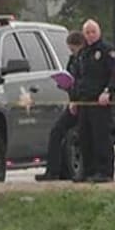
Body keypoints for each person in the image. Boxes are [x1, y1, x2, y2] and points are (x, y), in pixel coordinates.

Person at [72, 19, 115, 183]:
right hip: (84, 101)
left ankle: (105, 171)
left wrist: (108, 91)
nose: (90, 35)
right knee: (84, 136)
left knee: (101, 137)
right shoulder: (82, 53)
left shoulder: (107, 50)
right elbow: (78, 78)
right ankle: (88, 171)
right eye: (87, 32)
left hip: (100, 101)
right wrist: (74, 100)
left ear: (99, 32)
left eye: (93, 32)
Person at [35, 31, 85, 182]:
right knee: (56, 131)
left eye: (73, 49)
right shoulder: (73, 60)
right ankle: (52, 170)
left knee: (84, 136)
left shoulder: (85, 59)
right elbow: (70, 77)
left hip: (84, 103)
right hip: (72, 102)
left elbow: (85, 81)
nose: (72, 52)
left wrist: (77, 96)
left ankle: (83, 171)